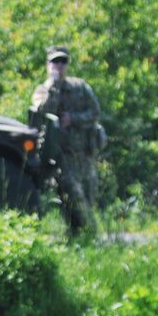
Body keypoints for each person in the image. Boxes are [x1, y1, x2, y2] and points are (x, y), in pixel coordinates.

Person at [31, 45, 103, 227]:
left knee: (88, 195)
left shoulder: (80, 87)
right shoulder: (43, 90)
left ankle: (80, 237)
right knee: (74, 195)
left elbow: (95, 112)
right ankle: (91, 233)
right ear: (48, 64)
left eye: (63, 61)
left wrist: (74, 118)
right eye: (55, 61)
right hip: (61, 156)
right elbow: (42, 110)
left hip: (85, 153)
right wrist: (53, 85)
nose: (60, 65)